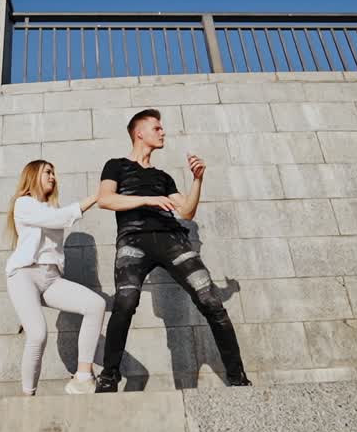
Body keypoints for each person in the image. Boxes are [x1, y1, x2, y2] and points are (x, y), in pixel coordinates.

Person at [94, 109, 251, 393]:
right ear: (139, 132)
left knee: (211, 301)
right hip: (133, 241)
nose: (163, 132)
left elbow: (187, 212)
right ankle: (109, 375)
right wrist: (149, 200)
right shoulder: (115, 165)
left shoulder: (163, 177)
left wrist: (198, 180)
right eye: (157, 128)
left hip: (171, 240)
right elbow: (105, 200)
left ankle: (238, 377)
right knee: (126, 303)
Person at [5, 160, 107, 395]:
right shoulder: (23, 204)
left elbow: (57, 216)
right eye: (48, 172)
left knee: (96, 304)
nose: (53, 177)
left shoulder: (52, 209)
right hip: (24, 275)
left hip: (50, 278)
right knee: (38, 334)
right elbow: (60, 219)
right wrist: (94, 197)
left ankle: (82, 378)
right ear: (33, 176)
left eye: (54, 173)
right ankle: (28, 397)